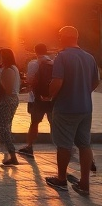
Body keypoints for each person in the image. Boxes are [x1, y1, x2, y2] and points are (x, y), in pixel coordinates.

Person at [45, 26, 100, 196]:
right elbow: (96, 81)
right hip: (85, 107)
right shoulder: (89, 57)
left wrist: (50, 95)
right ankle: (84, 183)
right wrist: (83, 91)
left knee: (64, 144)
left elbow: (57, 82)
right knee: (84, 144)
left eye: (59, 35)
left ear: (64, 37)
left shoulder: (62, 56)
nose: (58, 38)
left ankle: (61, 179)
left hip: (66, 108)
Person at [17, 43, 53, 158]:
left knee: (34, 123)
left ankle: (29, 146)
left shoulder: (33, 63)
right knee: (54, 123)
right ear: (46, 51)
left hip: (37, 98)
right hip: (52, 98)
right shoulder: (54, 63)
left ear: (35, 51)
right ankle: (64, 146)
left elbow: (30, 80)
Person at [0, 48, 20, 166]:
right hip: (7, 100)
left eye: (0, 56)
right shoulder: (8, 69)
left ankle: (13, 155)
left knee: (2, 128)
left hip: (7, 101)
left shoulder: (8, 70)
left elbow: (8, 90)